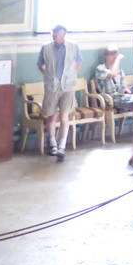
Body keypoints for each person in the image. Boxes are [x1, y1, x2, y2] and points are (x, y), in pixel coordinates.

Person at [94, 45, 133, 173]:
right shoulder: (100, 69)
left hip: (122, 97)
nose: (115, 57)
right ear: (106, 56)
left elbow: (122, 86)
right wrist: (118, 60)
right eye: (112, 55)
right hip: (110, 99)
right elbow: (112, 74)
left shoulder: (120, 71)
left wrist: (126, 90)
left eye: (116, 55)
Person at [37, 24, 82, 162]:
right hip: (52, 86)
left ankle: (62, 146)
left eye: (57, 33)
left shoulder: (73, 46)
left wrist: (71, 75)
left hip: (68, 87)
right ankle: (53, 145)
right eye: (53, 32)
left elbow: (78, 62)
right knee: (51, 116)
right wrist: (49, 75)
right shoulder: (46, 48)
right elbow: (40, 64)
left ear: (64, 34)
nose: (54, 35)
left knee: (64, 117)